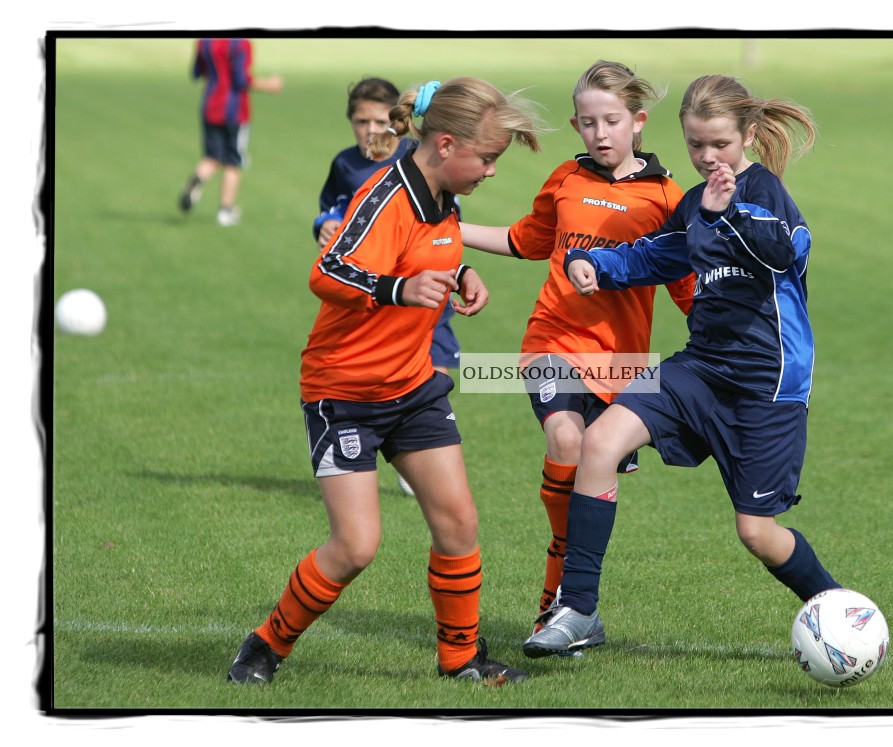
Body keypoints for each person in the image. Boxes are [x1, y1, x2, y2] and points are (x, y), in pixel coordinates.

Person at [227, 77, 543, 686]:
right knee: (355, 547)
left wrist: (462, 271)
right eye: (488, 158)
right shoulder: (386, 193)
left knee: (458, 523)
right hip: (344, 392)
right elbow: (330, 271)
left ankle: (462, 660)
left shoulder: (442, 192)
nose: (492, 171)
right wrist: (398, 289)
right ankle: (265, 645)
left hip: (412, 387)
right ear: (446, 144)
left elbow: (427, 248)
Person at [524, 74, 841, 658]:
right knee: (598, 443)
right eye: (696, 145)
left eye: (719, 143)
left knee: (757, 533)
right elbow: (658, 253)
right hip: (699, 368)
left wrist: (729, 217)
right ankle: (579, 610)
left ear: (746, 136)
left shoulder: (762, 191)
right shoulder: (695, 202)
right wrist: (595, 263)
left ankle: (841, 610)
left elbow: (788, 248)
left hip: (765, 385)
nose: (707, 157)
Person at [459, 60, 694, 643]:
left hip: (620, 365)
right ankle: (558, 599)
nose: (601, 134)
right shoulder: (565, 179)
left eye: (612, 121)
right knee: (567, 438)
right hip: (551, 340)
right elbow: (525, 240)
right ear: (576, 125)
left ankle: (570, 604)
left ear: (637, 121)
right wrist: (448, 227)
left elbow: (690, 292)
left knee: (590, 460)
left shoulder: (668, 199)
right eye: (588, 123)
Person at [313, 76, 461, 496]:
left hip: (427, 289)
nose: (371, 130)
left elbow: (445, 221)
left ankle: (419, 448)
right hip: (378, 292)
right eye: (361, 121)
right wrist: (323, 224)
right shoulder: (346, 164)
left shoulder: (420, 159)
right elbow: (332, 211)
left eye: (380, 120)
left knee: (436, 360)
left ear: (399, 120)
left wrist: (460, 269)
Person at [178, 38, 284, 226]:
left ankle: (198, 180)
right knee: (233, 161)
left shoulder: (205, 41)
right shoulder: (240, 43)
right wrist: (269, 84)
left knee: (211, 156)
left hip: (210, 104)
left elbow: (196, 73)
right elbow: (241, 79)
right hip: (234, 110)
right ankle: (226, 211)